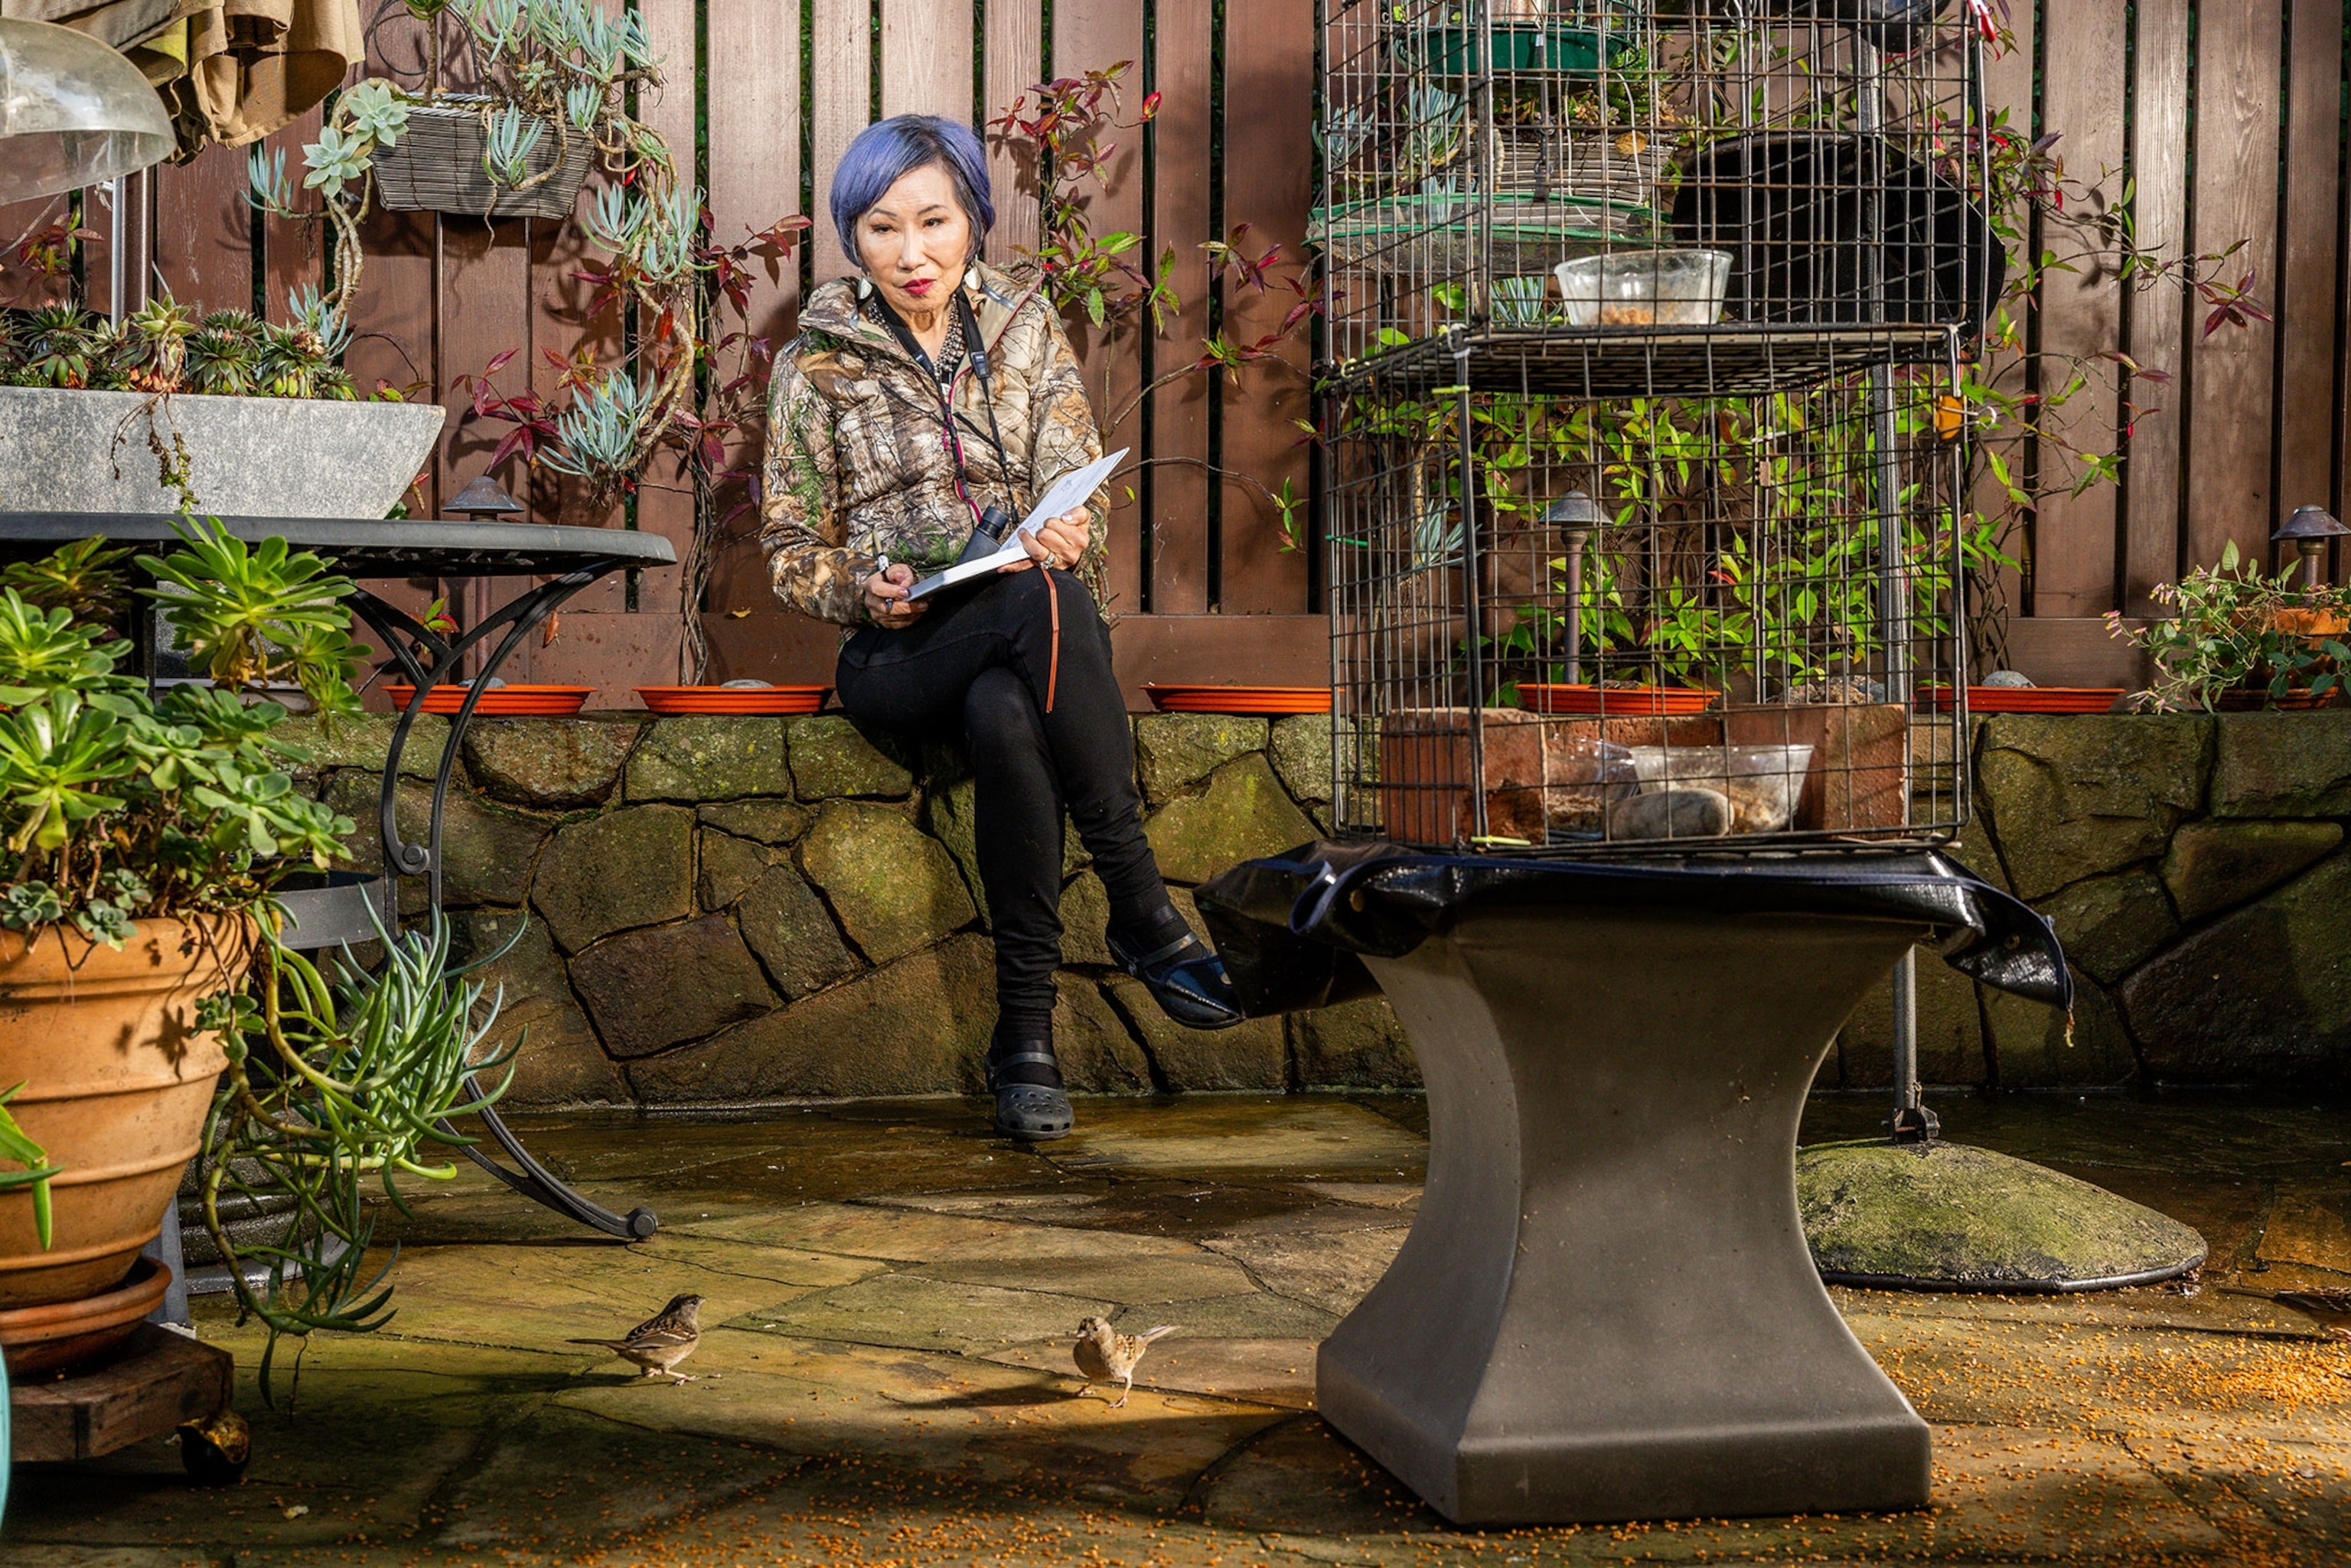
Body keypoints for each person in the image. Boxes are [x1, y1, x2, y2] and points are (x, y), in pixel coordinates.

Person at [759, 115, 1244, 1143]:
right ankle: (1141, 903)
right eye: (883, 228)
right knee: (1030, 610)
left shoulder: (1026, 327)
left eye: (935, 222)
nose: (913, 253)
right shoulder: (814, 363)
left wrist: (1067, 528)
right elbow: (789, 548)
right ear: (854, 235)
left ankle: (1024, 1040)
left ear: (973, 219)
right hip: (897, 649)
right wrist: (864, 584)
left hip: (1024, 638)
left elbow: (1086, 495)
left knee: (1010, 697)